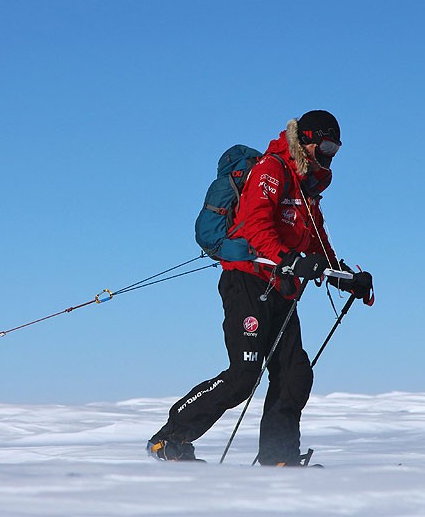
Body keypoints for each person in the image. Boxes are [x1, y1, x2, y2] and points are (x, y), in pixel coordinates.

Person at [148, 110, 373, 465]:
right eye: (326, 145)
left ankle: (278, 459)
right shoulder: (273, 169)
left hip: (282, 289)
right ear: (307, 139)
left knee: (294, 374)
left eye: (336, 148)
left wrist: (347, 278)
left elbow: (317, 243)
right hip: (248, 281)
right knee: (244, 374)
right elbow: (256, 226)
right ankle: (168, 439)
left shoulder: (306, 188)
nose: (329, 154)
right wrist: (288, 258)